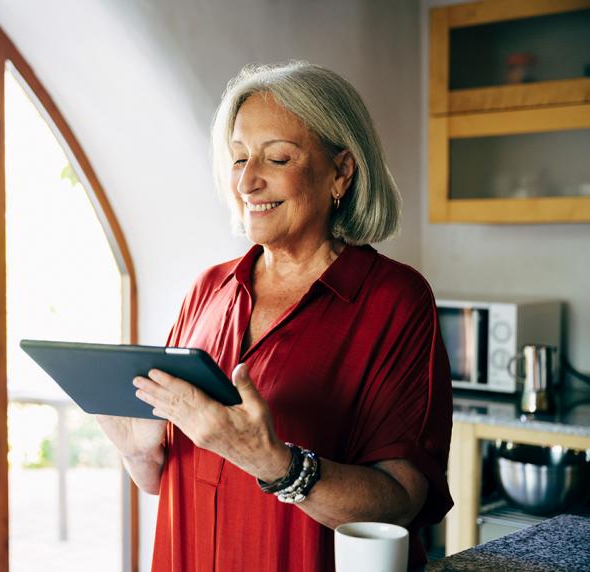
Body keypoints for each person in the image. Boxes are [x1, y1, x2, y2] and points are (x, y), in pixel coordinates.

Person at [96, 61, 453, 571]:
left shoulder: (394, 300)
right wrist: (139, 453)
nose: (248, 182)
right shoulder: (209, 289)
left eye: (277, 158)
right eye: (239, 159)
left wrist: (272, 462)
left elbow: (401, 501)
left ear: (341, 171)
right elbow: (169, 478)